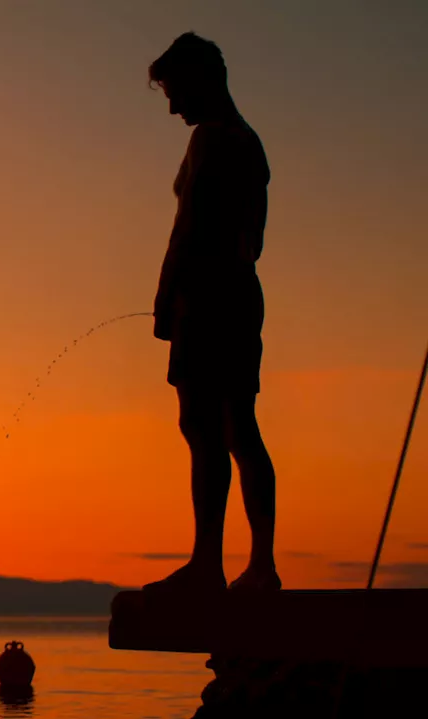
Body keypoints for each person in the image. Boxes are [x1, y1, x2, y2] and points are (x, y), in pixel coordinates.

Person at [145, 33, 280, 594]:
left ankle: (209, 565)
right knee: (236, 427)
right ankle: (258, 566)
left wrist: (165, 299)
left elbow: (190, 228)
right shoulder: (248, 142)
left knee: (208, 429)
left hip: (209, 301)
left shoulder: (214, 140)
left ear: (204, 77)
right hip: (235, 293)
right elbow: (253, 239)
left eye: (176, 92)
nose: (173, 107)